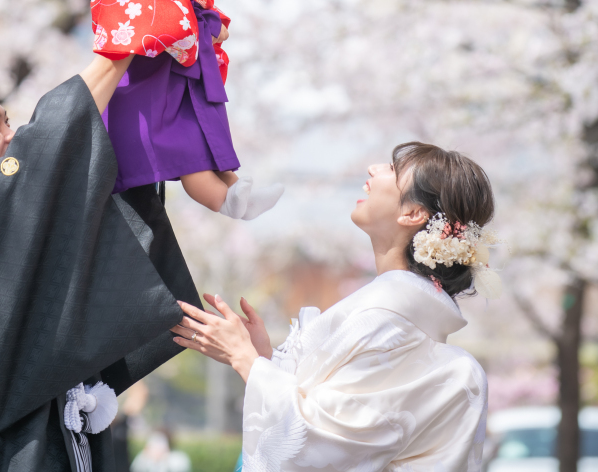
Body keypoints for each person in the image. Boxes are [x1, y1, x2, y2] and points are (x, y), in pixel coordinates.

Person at [0, 53, 202, 472]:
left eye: (7, 120)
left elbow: (79, 188)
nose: (11, 134)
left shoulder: (8, 227)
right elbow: (39, 156)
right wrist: (119, 48)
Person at [172, 141, 497, 472]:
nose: (374, 168)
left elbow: (320, 443)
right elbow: (339, 410)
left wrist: (247, 361)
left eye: (393, 169)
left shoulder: (389, 318)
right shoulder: (392, 312)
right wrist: (264, 358)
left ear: (413, 214)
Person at [92, 0, 283, 220]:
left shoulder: (187, 5)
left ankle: (240, 194)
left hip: (183, 100)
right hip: (155, 107)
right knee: (191, 159)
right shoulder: (149, 4)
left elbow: (214, 28)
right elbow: (184, 30)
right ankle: (224, 201)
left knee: (206, 146)